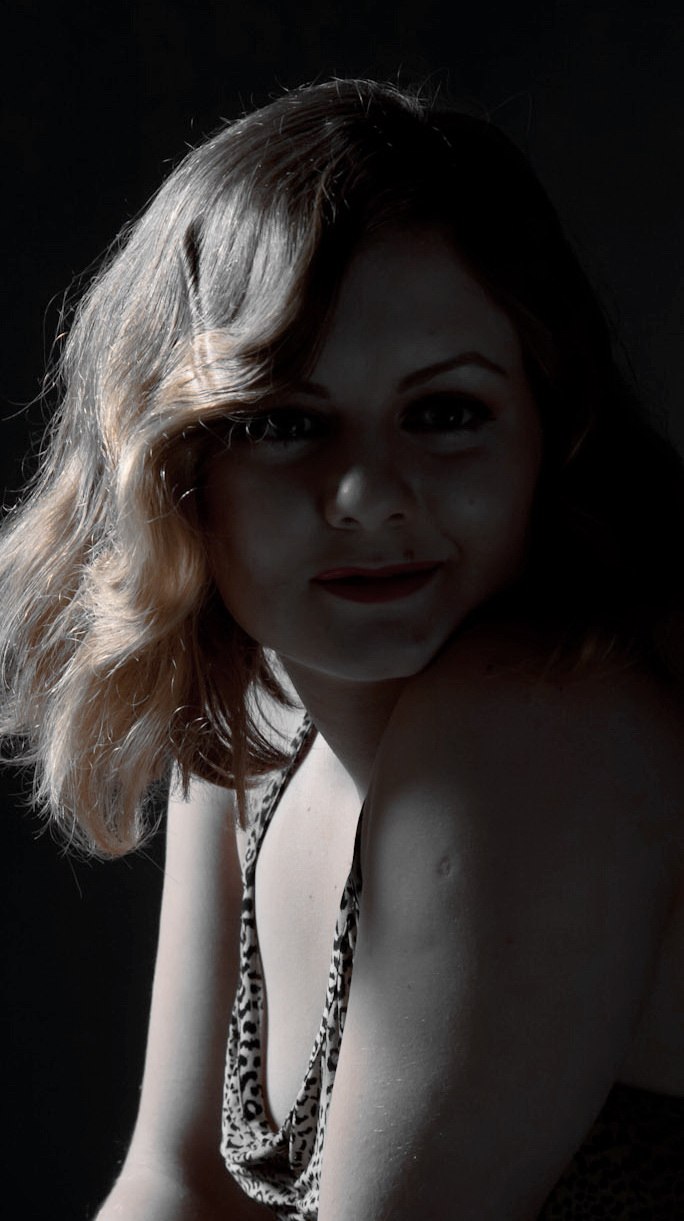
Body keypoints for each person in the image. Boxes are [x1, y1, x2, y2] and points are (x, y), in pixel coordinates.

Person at [2, 78, 684, 1220]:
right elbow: (179, 1184)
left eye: (445, 412)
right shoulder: (259, 709)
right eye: (284, 422)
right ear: (177, 468)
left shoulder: (538, 729)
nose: (368, 493)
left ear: (550, 432)